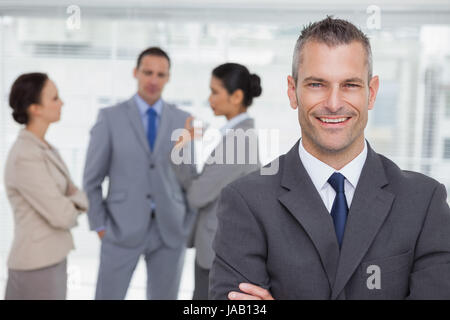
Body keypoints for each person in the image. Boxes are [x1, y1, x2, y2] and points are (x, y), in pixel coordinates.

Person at [209, 17, 450, 300]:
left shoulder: (424, 201)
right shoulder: (245, 201)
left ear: (371, 93)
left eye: (349, 85)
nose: (334, 103)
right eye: (317, 84)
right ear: (292, 91)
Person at [83, 47, 197, 300]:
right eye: (147, 72)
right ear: (135, 72)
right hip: (120, 227)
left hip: (170, 229)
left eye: (160, 74)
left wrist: (187, 225)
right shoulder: (110, 117)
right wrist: (100, 226)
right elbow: (91, 180)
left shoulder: (183, 120)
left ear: (168, 78)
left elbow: (190, 178)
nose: (153, 80)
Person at [172, 63, 262, 299]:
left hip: (218, 252)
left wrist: (181, 151)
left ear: (237, 96)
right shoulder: (233, 136)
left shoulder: (238, 142)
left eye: (215, 92)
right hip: (217, 248)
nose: (210, 98)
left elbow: (197, 195)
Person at [4, 73, 88, 300]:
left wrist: (71, 200)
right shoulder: (25, 156)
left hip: (52, 259)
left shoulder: (45, 148)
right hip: (35, 265)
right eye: (54, 98)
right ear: (35, 108)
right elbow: (62, 215)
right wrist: (73, 202)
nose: (62, 103)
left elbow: (76, 193)